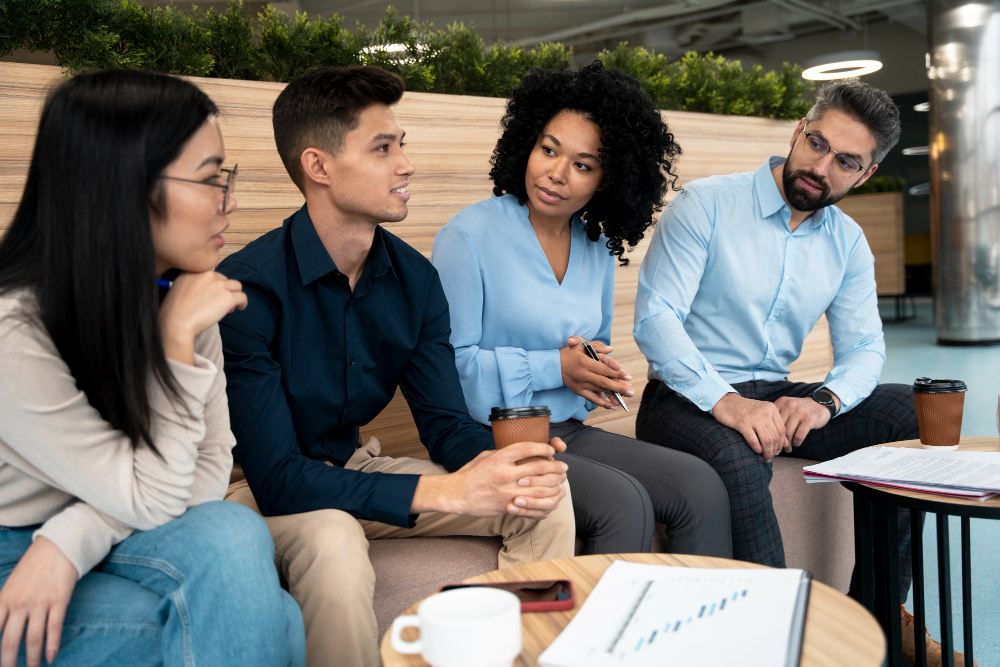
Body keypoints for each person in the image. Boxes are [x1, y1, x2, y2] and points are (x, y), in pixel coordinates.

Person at [218, 65, 575, 667]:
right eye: (383, 148)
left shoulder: (415, 280)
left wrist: (502, 463)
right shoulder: (248, 290)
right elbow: (279, 478)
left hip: (352, 463)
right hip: (252, 488)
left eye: (401, 144)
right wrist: (450, 491)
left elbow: (443, 423)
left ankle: (520, 656)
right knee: (331, 537)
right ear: (319, 166)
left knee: (543, 497)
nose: (405, 164)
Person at [633, 77, 970, 666]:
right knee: (739, 461)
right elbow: (657, 321)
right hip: (685, 397)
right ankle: (779, 643)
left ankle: (873, 625)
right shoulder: (707, 204)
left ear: (863, 175)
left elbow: (865, 346)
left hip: (777, 394)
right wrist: (729, 404)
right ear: (798, 132)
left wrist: (823, 401)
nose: (821, 165)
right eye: (816, 143)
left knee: (904, 414)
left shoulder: (847, 242)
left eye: (845, 161)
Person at [0, 69, 305, 667]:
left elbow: (211, 467)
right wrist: (173, 342)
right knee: (277, 617)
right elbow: (149, 493)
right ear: (123, 185)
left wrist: (68, 541)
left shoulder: (185, 298)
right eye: (212, 178)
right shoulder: (16, 330)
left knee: (234, 532)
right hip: (13, 547)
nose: (231, 199)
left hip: (109, 525)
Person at [431, 62, 732, 556]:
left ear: (607, 181)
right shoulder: (467, 236)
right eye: (548, 149)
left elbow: (586, 356)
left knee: (699, 484)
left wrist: (595, 372)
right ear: (527, 144)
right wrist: (558, 366)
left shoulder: (595, 247)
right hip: (490, 434)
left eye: (583, 164)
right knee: (622, 503)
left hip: (569, 429)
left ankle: (699, 627)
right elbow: (447, 370)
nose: (556, 173)